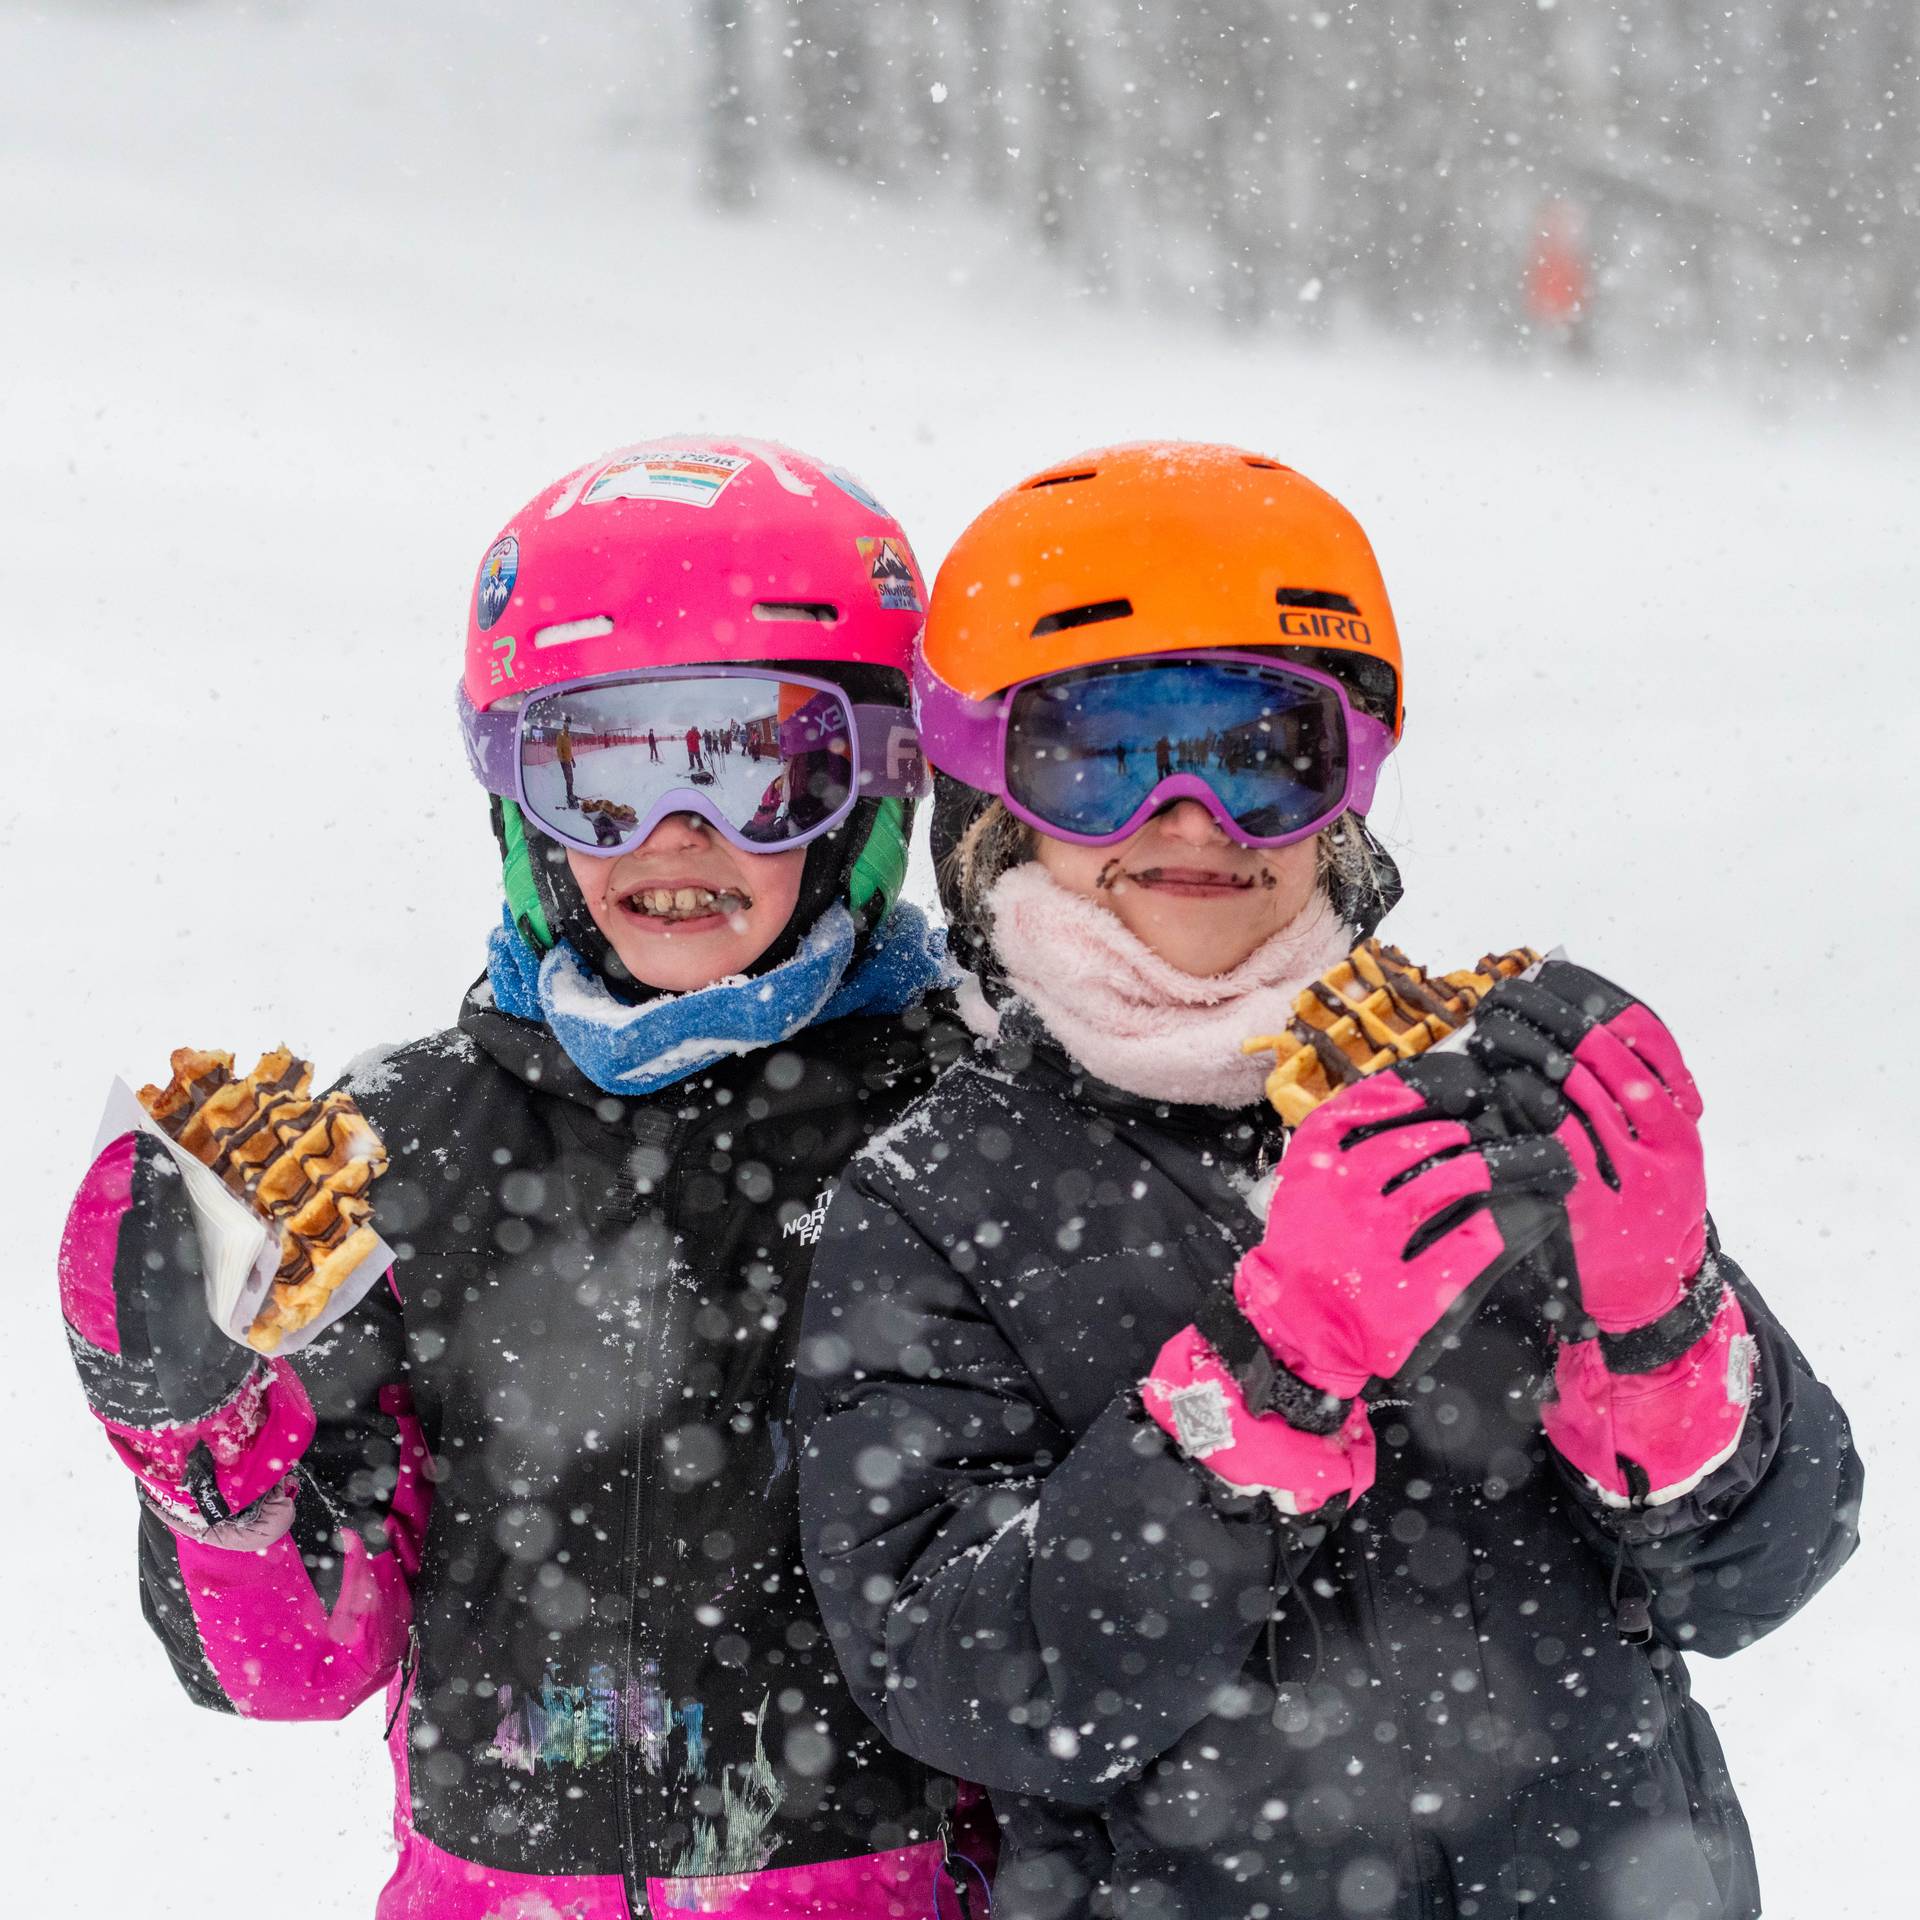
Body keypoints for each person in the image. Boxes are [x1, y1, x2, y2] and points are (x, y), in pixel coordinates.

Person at [796, 443, 1861, 1920]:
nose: (1192, 819)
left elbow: (1752, 1578)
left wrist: (1662, 1318)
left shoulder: (1497, 1098)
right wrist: (1269, 1373)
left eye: (1259, 752)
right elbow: (970, 1686)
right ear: (992, 805)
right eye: (1102, 758)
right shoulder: (935, 1202)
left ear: (1342, 789)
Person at [56, 436, 989, 1919]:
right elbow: (299, 1665)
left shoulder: (966, 1133)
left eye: (757, 764)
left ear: (878, 784)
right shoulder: (400, 1145)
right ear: (513, 797)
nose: (678, 838)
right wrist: (206, 1449)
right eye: (599, 773)